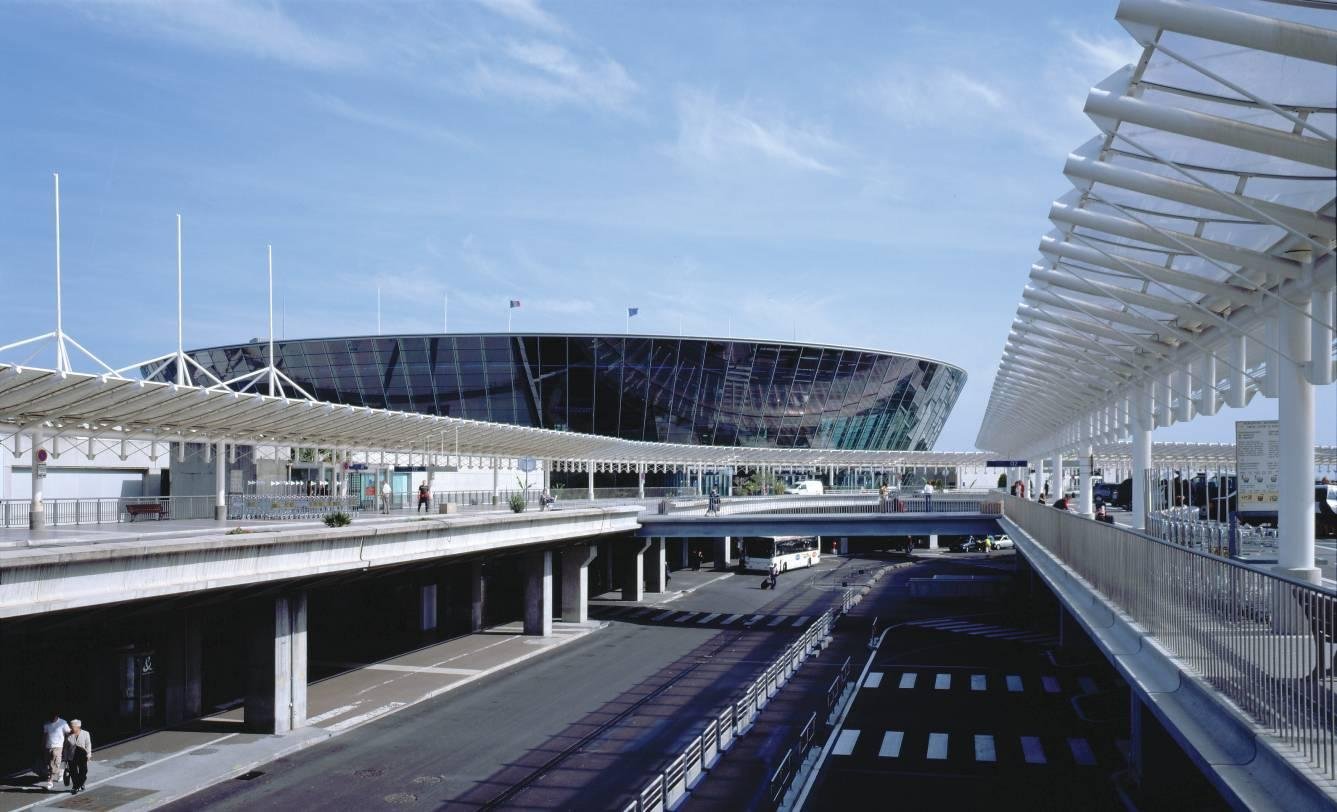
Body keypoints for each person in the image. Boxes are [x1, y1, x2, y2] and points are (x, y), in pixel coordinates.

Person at [62, 720, 91, 795]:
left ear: (78, 727)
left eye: (72, 727)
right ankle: (75, 787)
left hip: (82, 755)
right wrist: (65, 758)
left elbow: (88, 744)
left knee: (83, 771)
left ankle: (81, 783)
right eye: (70, 726)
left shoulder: (85, 733)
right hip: (72, 756)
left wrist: (88, 754)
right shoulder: (68, 735)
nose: (71, 728)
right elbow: (65, 748)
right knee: (73, 773)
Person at [41, 713, 69, 790]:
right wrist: (43, 745)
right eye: (50, 717)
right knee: (49, 764)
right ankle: (60, 771)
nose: (51, 719)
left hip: (58, 746)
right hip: (48, 746)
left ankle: (50, 781)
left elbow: (68, 733)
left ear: (56, 716)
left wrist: (65, 744)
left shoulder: (63, 723)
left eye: (53, 717)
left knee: (54, 762)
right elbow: (45, 735)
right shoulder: (47, 724)